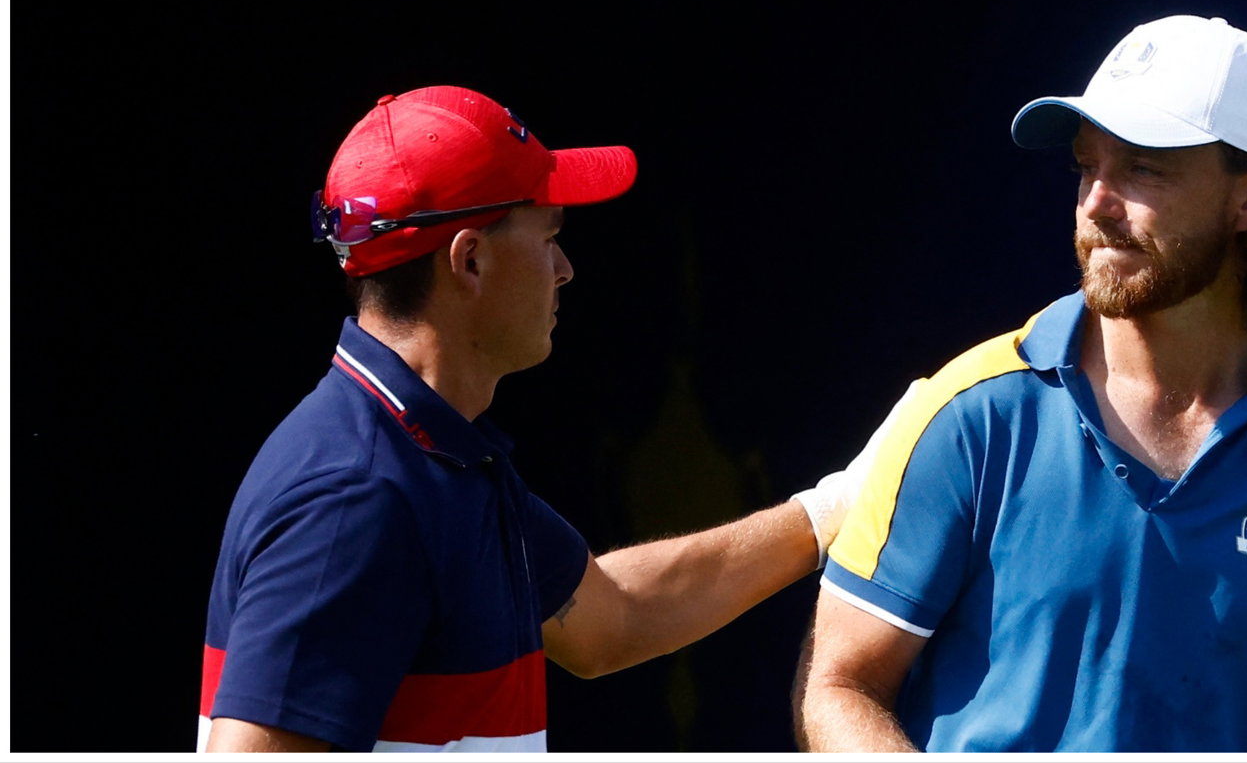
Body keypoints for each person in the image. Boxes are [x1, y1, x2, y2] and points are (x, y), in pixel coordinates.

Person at [795, 15, 1247, 752]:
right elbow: (839, 687)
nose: (1097, 203)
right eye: (1086, 167)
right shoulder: (968, 411)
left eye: (1143, 168)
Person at [199, 85, 910, 753]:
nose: (565, 268)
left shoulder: (437, 453)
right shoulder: (357, 496)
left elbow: (615, 616)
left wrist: (839, 506)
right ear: (470, 261)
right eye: (548, 237)